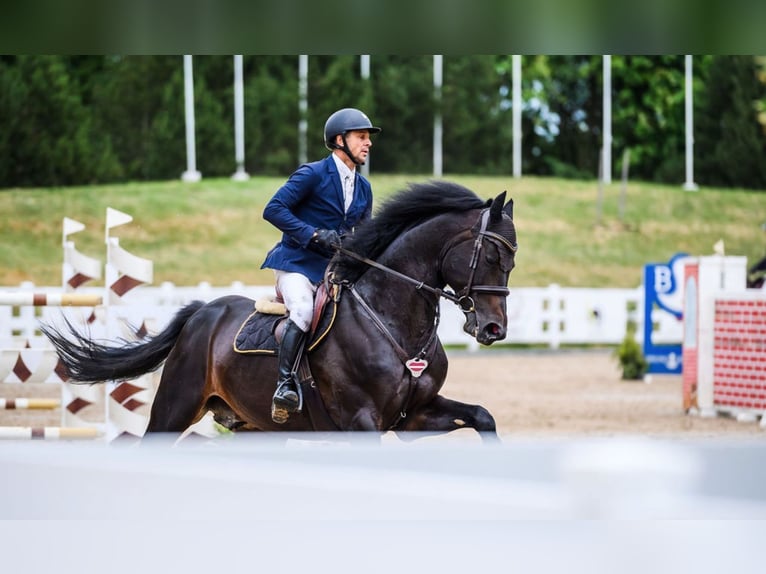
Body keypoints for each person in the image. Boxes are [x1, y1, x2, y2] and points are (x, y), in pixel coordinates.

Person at [261, 108, 381, 422]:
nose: (368, 143)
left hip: (333, 270)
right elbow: (273, 209)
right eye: (361, 137)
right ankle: (284, 383)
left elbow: (363, 235)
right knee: (301, 310)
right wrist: (312, 234)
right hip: (297, 264)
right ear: (339, 140)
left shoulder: (364, 188)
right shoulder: (312, 174)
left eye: (368, 138)